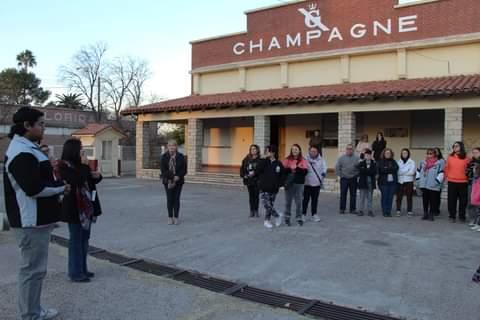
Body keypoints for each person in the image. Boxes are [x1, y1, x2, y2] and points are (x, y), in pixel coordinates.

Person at [3, 107, 70, 320]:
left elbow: (41, 179)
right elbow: (33, 188)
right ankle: (31, 314)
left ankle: (33, 310)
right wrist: (61, 188)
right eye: (41, 124)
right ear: (27, 126)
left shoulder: (28, 149)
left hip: (37, 221)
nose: (44, 128)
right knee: (32, 271)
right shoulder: (21, 152)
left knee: (35, 270)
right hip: (30, 222)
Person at [58, 139, 102, 283]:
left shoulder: (81, 165)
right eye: (80, 148)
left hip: (87, 208)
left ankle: (83, 268)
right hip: (75, 208)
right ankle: (75, 272)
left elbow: (89, 181)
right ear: (73, 150)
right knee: (76, 241)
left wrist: (97, 176)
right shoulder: (64, 165)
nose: (83, 151)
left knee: (84, 240)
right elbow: (76, 180)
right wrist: (84, 166)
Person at [160, 140, 187, 225]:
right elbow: (163, 171)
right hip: (167, 181)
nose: (172, 147)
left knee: (176, 199)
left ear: (176, 147)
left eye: (173, 146)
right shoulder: (164, 157)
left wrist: (178, 176)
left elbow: (184, 169)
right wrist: (172, 177)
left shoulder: (181, 156)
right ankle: (170, 217)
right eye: (170, 146)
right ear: (167, 147)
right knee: (169, 199)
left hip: (178, 181)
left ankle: (176, 217)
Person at [257, 145, 285, 229]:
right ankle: (277, 215)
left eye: (268, 151)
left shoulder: (278, 163)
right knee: (266, 204)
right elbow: (258, 170)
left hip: (273, 188)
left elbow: (282, 176)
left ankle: (267, 221)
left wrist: (279, 184)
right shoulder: (264, 161)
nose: (266, 153)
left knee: (270, 205)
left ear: (273, 152)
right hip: (264, 187)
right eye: (266, 151)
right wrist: (263, 159)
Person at [282, 144, 308, 226]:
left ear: (299, 150)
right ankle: (287, 217)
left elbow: (305, 172)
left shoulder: (303, 160)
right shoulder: (287, 159)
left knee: (299, 202)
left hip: (299, 184)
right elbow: (283, 171)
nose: (294, 151)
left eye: (296, 149)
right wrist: (290, 169)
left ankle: (299, 217)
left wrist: (296, 168)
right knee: (288, 202)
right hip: (289, 184)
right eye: (293, 149)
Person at [445, 141, 470, 223]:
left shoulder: (466, 158)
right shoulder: (450, 157)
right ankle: (452, 216)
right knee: (451, 200)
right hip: (452, 181)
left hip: (463, 182)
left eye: (457, 146)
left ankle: (462, 216)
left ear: (461, 147)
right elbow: (447, 168)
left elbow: (469, 169)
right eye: (454, 146)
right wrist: (446, 177)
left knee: (463, 201)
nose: (455, 147)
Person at [417, 149, 445, 221]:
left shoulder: (439, 163)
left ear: (434, 154)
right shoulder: (422, 162)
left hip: (433, 185)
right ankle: (425, 213)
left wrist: (436, 182)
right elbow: (418, 171)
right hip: (424, 184)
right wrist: (418, 181)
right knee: (425, 200)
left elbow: (441, 173)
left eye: (431, 153)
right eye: (428, 153)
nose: (429, 155)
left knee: (433, 201)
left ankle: (431, 214)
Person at [302, 145, 327, 222]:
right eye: (311, 151)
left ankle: (314, 214)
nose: (313, 153)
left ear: (317, 152)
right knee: (305, 200)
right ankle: (303, 214)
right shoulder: (305, 159)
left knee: (315, 200)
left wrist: (323, 173)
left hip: (316, 184)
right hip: (307, 183)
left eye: (315, 151)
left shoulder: (321, 160)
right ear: (309, 151)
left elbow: (324, 168)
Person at [335, 144, 360, 214]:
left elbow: (360, 168)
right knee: (343, 194)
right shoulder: (341, 158)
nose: (349, 150)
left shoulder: (357, 158)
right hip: (344, 179)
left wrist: (356, 175)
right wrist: (341, 175)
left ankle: (353, 209)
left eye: (351, 149)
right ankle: (342, 209)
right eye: (348, 149)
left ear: (353, 150)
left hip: (353, 179)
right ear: (346, 150)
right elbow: (337, 168)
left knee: (353, 194)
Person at [240, 144, 262, 218]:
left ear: (257, 150)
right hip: (249, 180)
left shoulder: (260, 159)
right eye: (251, 149)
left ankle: (256, 211)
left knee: (256, 196)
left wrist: (255, 173)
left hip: (257, 181)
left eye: (254, 149)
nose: (253, 150)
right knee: (251, 196)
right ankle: (251, 211)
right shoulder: (247, 158)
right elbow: (242, 168)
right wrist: (244, 175)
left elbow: (261, 170)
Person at [377, 148, 399, 217]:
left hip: (392, 183)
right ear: (384, 154)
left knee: (390, 197)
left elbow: (396, 168)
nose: (388, 154)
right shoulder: (380, 162)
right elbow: (382, 170)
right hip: (383, 183)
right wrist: (390, 169)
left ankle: (388, 212)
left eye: (389, 153)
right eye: (386, 153)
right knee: (385, 197)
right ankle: (384, 211)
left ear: (391, 154)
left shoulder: (394, 161)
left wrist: (387, 169)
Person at [396, 148, 416, 217]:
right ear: (401, 154)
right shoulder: (398, 162)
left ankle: (409, 211)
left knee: (409, 197)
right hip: (400, 181)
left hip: (409, 181)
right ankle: (398, 210)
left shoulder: (412, 162)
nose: (404, 154)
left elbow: (412, 172)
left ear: (408, 154)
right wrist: (406, 170)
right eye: (403, 153)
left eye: (406, 153)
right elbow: (397, 172)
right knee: (399, 197)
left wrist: (402, 172)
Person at [357, 149, 376, 217]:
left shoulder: (374, 163)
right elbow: (360, 171)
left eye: (369, 155)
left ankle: (370, 211)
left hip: (371, 183)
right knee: (362, 198)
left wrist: (365, 171)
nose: (367, 156)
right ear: (364, 156)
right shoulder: (361, 163)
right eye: (366, 155)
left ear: (371, 156)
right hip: (363, 183)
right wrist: (368, 171)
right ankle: (360, 210)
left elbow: (373, 172)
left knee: (370, 198)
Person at [467, 147, 480, 230]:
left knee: (478, 203)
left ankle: (478, 222)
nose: (474, 154)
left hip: (478, 182)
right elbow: (467, 171)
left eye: (476, 152)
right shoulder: (471, 162)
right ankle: (473, 220)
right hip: (471, 182)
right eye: (473, 152)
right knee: (471, 201)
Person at [432, 147, 445, 216]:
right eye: (434, 151)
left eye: (437, 151)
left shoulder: (441, 161)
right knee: (431, 196)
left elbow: (442, 171)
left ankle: (436, 210)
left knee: (437, 196)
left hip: (438, 180)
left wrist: (438, 180)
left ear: (439, 152)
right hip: (430, 180)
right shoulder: (431, 160)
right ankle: (432, 209)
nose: (435, 153)